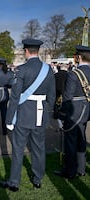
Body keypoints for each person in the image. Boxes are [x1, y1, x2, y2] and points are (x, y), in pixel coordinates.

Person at [0, 39, 56, 191]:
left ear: (26, 51)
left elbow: (15, 97)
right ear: (37, 51)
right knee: (39, 148)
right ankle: (37, 179)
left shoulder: (21, 69)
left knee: (18, 149)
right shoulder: (48, 69)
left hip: (24, 115)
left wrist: (9, 119)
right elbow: (52, 96)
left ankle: (14, 182)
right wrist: (47, 113)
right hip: (40, 114)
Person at [53, 45, 90, 179]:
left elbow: (67, 98)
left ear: (79, 57)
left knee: (70, 141)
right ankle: (81, 169)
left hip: (75, 110)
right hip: (87, 110)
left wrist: (62, 114)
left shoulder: (74, 74)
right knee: (81, 139)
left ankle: (70, 171)